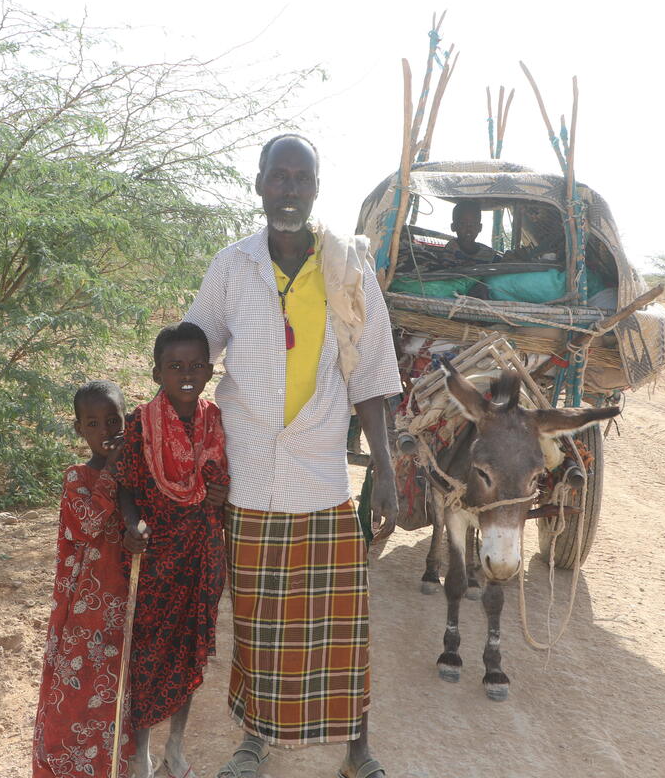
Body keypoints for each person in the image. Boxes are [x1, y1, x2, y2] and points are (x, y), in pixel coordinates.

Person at [184, 134, 403, 778]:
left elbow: (373, 375)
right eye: (276, 177)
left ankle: (357, 752)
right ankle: (254, 742)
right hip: (249, 472)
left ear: (314, 189)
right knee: (256, 620)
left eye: (299, 179)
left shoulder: (347, 268)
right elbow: (195, 346)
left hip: (321, 474)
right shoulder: (232, 267)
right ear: (258, 185)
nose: (287, 189)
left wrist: (385, 470)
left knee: (342, 621)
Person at [116, 321, 230, 778]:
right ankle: (141, 752)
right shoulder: (140, 424)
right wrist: (130, 526)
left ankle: (176, 748)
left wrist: (222, 493)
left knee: (190, 653)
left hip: (203, 555)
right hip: (155, 557)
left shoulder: (218, 421)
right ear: (158, 372)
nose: (187, 374)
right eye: (174, 366)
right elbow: (124, 486)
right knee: (146, 655)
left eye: (196, 365)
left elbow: (224, 483)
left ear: (209, 370)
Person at [32, 380, 134, 778]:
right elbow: (90, 521)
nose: (104, 431)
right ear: (79, 430)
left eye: (112, 421)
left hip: (125, 603)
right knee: (74, 693)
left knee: (115, 694)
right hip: (84, 611)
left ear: (125, 421)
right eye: (92, 424)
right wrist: (113, 468)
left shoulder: (136, 474)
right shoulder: (76, 477)